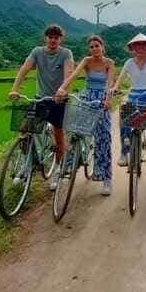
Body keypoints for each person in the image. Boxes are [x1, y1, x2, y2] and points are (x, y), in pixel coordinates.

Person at [8, 24, 75, 191]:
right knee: (24, 130)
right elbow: (24, 69)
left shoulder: (66, 53)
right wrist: (15, 89)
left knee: (59, 133)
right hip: (41, 99)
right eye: (50, 37)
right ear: (45, 38)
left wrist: (62, 90)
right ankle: (26, 164)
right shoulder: (37, 52)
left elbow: (69, 74)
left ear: (60, 39)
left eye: (56, 37)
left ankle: (59, 169)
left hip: (59, 99)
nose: (53, 40)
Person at [56, 35, 115, 195]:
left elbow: (110, 84)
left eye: (97, 46)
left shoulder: (109, 63)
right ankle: (64, 170)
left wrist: (108, 99)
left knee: (103, 138)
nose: (94, 49)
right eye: (91, 47)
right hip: (86, 98)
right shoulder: (87, 61)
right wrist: (62, 88)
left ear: (102, 46)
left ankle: (106, 178)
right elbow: (74, 75)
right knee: (75, 132)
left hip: (101, 101)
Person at [110, 32, 146, 186]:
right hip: (133, 96)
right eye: (137, 44)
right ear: (133, 47)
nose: (140, 47)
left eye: (143, 44)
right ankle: (124, 153)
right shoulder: (129, 62)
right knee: (124, 123)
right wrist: (114, 88)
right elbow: (120, 79)